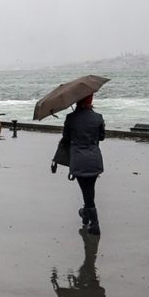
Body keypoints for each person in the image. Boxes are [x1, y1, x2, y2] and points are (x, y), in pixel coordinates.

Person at [62, 93, 105, 235]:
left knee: (87, 192)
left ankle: (94, 223)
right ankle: (86, 215)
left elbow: (66, 138)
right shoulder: (98, 117)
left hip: (79, 160)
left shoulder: (70, 118)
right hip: (94, 160)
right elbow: (102, 137)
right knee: (89, 190)